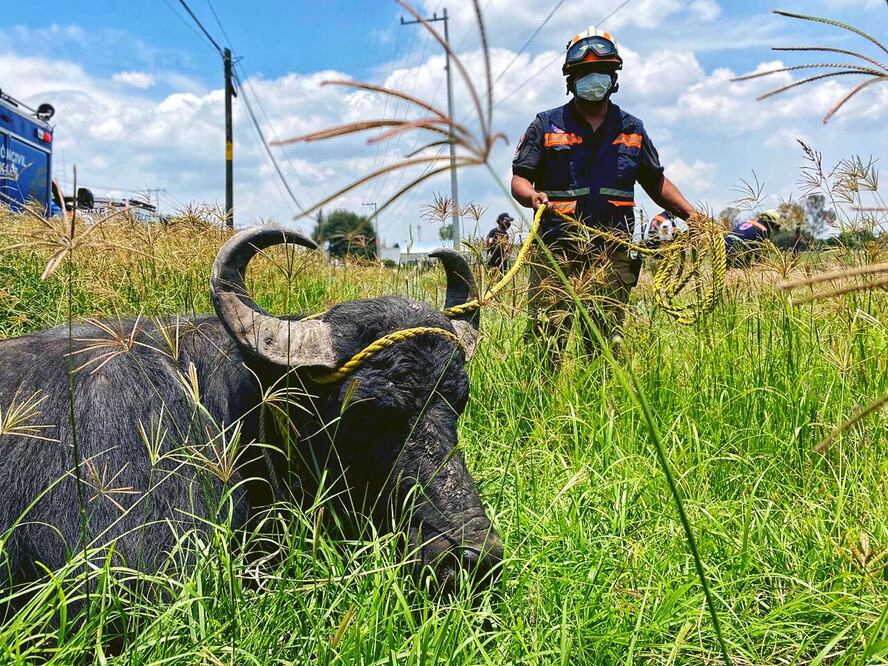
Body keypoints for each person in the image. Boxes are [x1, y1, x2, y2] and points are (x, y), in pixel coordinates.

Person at [511, 26, 698, 361]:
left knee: (603, 349)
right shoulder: (545, 124)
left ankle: (602, 408)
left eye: (601, 72)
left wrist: (693, 216)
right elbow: (519, 179)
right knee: (544, 346)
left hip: (614, 254)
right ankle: (538, 411)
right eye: (584, 73)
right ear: (571, 79)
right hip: (556, 252)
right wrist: (531, 197)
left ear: (614, 77)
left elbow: (655, 182)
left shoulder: (632, 129)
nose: (593, 79)